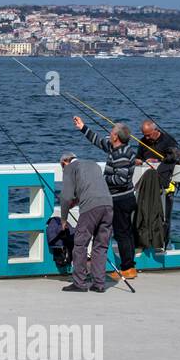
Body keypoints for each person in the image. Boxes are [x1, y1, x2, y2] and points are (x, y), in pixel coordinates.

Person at [73, 115, 139, 278]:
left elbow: (121, 179)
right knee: (126, 232)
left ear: (116, 137)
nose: (109, 134)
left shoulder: (121, 154)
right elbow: (98, 141)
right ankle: (130, 266)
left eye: (111, 132)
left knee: (122, 233)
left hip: (121, 199)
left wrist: (101, 179)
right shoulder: (117, 148)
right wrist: (83, 128)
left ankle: (127, 268)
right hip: (126, 197)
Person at [58, 151, 113, 293]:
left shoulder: (70, 168)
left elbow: (65, 197)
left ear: (65, 162)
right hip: (108, 205)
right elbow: (91, 188)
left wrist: (64, 219)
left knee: (80, 244)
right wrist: (76, 201)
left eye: (62, 167)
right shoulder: (93, 164)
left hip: (90, 209)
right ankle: (99, 283)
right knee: (101, 246)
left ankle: (79, 283)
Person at [136, 119, 180, 246]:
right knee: (144, 216)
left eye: (149, 134)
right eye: (144, 135)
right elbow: (138, 157)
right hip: (146, 185)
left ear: (156, 130)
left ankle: (162, 244)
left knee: (164, 217)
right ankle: (144, 243)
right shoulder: (143, 141)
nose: (146, 137)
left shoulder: (168, 140)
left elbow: (173, 157)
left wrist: (158, 160)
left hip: (166, 186)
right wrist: (140, 161)